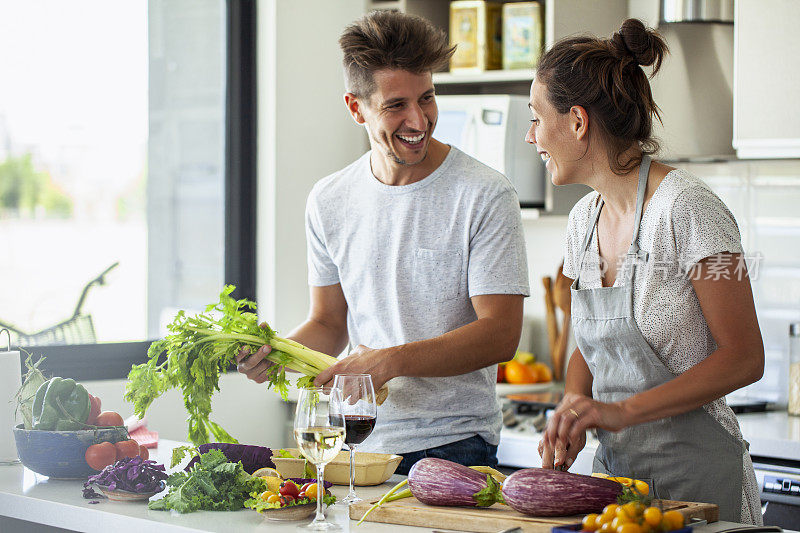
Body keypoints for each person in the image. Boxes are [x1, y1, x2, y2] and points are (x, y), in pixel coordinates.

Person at [236, 10, 530, 474]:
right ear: (356, 108)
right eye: (396, 105)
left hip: (454, 445)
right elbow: (329, 324)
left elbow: (501, 334)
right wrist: (275, 355)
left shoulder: (485, 193)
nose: (419, 119)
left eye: (427, 98)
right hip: (355, 440)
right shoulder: (329, 199)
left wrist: (387, 362)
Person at [527, 19, 764, 524]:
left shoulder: (690, 209)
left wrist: (621, 412)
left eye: (535, 118)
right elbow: (583, 346)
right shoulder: (582, 221)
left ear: (576, 121)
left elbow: (745, 358)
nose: (531, 137)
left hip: (701, 485)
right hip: (618, 487)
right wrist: (573, 407)